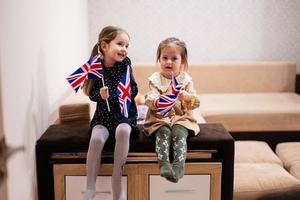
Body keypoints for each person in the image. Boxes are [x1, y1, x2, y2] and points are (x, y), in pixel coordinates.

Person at [82, 26, 138, 200]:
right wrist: (100, 95)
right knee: (97, 139)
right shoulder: (95, 66)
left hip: (123, 113)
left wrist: (125, 93)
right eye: (120, 44)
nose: (124, 49)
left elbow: (134, 88)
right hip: (103, 115)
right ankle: (90, 187)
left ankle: (117, 183)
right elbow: (90, 92)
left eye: (127, 45)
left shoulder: (126, 64)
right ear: (104, 46)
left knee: (123, 131)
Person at [143, 37, 200, 183]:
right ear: (159, 60)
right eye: (165, 58)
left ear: (182, 61)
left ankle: (179, 166)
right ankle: (164, 164)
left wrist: (186, 97)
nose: (169, 62)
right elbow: (151, 97)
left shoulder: (185, 80)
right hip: (160, 118)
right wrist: (157, 101)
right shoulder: (155, 79)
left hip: (181, 118)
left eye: (174, 58)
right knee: (163, 132)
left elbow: (195, 101)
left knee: (179, 132)